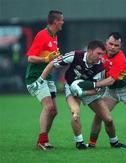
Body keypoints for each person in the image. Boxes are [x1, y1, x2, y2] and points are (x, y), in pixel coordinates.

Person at [40, 40, 126, 149]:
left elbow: (98, 89)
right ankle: (80, 143)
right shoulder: (75, 55)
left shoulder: (100, 67)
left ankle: (114, 142)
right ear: (90, 51)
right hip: (71, 89)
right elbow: (53, 63)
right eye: (98, 54)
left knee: (108, 119)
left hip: (90, 92)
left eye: (102, 54)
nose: (101, 57)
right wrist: (41, 80)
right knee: (75, 113)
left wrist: (84, 92)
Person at [25, 10, 64, 150]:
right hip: (36, 77)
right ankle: (43, 141)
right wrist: (47, 59)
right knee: (48, 107)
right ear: (55, 22)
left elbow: (50, 57)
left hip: (47, 77)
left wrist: (55, 57)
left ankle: (41, 140)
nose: (63, 22)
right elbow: (30, 58)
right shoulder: (42, 35)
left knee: (54, 111)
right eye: (61, 20)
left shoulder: (54, 36)